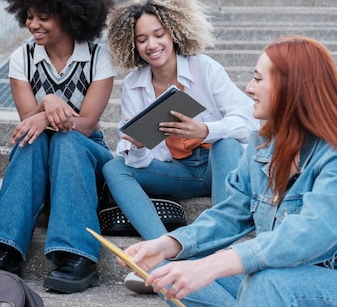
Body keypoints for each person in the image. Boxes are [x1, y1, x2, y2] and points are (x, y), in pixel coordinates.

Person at [122, 36, 337, 307]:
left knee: (265, 282)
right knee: (173, 274)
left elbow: (312, 231)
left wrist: (217, 264)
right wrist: (167, 244)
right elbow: (230, 214)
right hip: (280, 276)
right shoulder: (260, 146)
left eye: (258, 79)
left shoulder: (331, 152)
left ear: (290, 87)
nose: (249, 88)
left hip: (326, 281)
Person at [102, 0, 259, 293]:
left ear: (173, 33)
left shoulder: (204, 68)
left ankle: (221, 254)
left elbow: (249, 121)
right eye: (142, 39)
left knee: (226, 143)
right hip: (178, 172)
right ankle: (158, 253)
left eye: (158, 34)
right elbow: (139, 159)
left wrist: (205, 130)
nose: (152, 45)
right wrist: (135, 144)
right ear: (132, 45)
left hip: (219, 167)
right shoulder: (134, 85)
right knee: (114, 167)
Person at [0, 0, 116, 294]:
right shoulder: (21, 58)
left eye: (43, 16)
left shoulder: (98, 57)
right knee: (30, 139)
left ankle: (77, 255)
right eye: (28, 16)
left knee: (67, 141)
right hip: (37, 154)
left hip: (85, 152)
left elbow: (85, 124)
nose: (33, 24)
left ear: (68, 15)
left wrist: (47, 109)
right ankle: (5, 249)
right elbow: (29, 123)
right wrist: (46, 103)